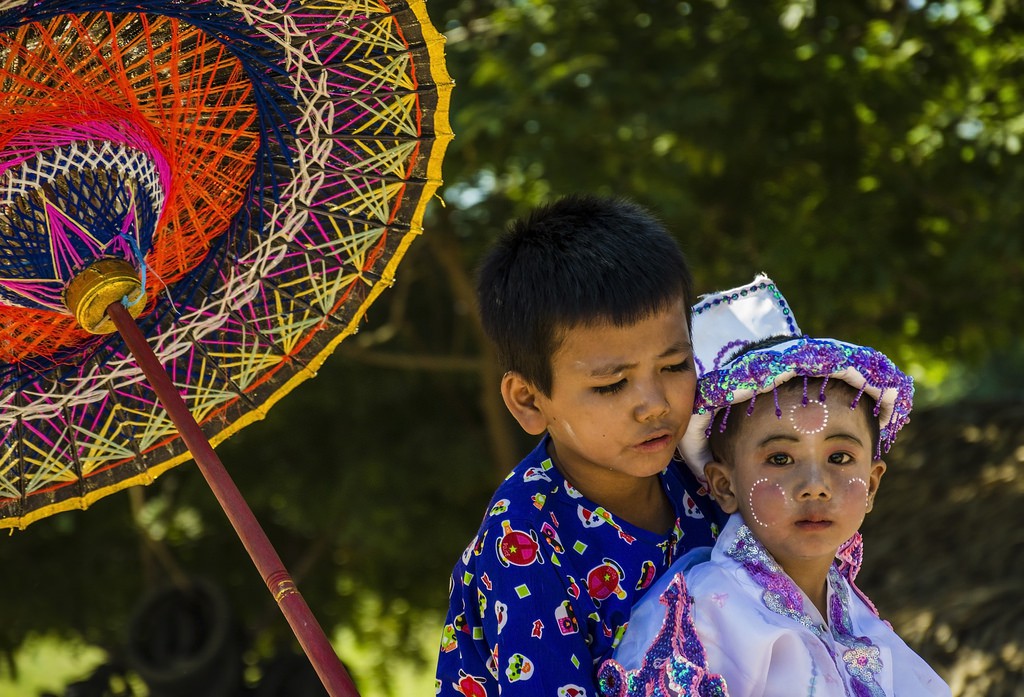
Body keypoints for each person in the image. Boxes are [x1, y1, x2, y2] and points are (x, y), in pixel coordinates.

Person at [597, 280, 951, 696]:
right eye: (780, 459)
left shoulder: (860, 619)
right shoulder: (707, 615)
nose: (815, 486)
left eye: (839, 458)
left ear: (872, 484)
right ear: (724, 486)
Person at [434, 194, 727, 696]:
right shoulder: (524, 543)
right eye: (612, 384)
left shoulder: (705, 464)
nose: (655, 404)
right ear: (529, 400)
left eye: (675, 366)